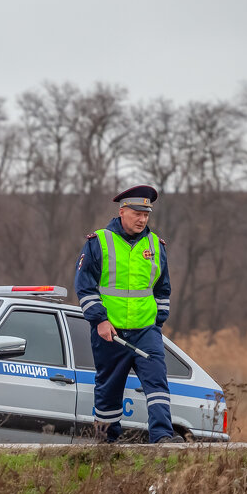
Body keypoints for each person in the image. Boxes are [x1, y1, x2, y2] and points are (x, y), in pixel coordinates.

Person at [73, 185, 182, 444]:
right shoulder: (98, 242)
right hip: (110, 332)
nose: (142, 219)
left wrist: (157, 323)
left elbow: (162, 289)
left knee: (157, 384)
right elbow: (84, 286)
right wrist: (100, 320)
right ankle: (107, 442)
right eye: (137, 213)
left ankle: (162, 438)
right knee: (109, 390)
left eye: (146, 214)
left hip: (146, 331)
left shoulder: (156, 244)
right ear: (122, 212)